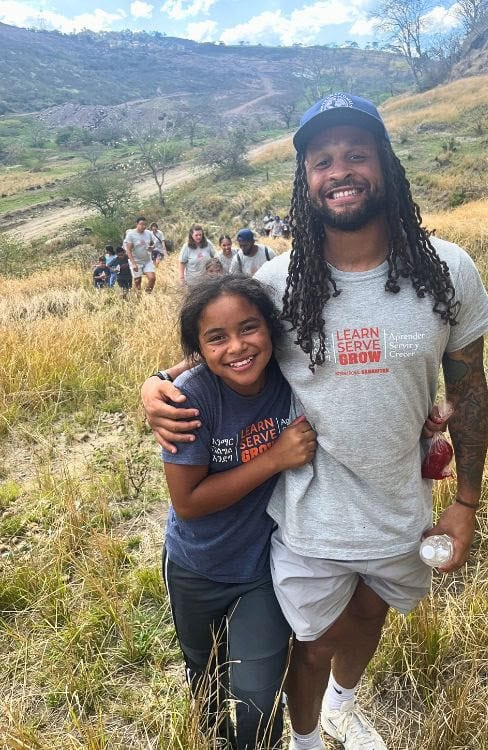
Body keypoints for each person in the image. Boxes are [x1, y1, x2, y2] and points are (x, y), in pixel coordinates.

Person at [143, 91, 488, 750]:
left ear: (384, 164)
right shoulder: (278, 283)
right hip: (310, 517)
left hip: (401, 508)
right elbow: (226, 347)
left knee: (369, 617)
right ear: (305, 179)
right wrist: (157, 383)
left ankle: (343, 707)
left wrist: (467, 503)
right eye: (323, 160)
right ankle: (306, 740)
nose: (340, 171)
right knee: (310, 643)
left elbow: (470, 392)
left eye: (356, 154)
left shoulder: (448, 271)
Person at [162, 275, 317, 749]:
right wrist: (273, 459)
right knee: (205, 676)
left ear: (271, 328)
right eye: (217, 337)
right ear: (198, 350)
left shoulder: (290, 373)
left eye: (249, 328)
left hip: (262, 568)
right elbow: (188, 502)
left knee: (257, 696)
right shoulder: (190, 399)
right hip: (196, 566)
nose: (237, 347)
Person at [123, 216, 158, 293]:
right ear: (137, 224)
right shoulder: (131, 235)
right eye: (142, 224)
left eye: (145, 224)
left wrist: (152, 247)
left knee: (152, 278)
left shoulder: (148, 233)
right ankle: (138, 297)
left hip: (147, 260)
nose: (144, 226)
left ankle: (147, 294)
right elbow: (128, 250)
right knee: (138, 282)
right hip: (136, 261)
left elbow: (154, 243)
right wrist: (133, 263)